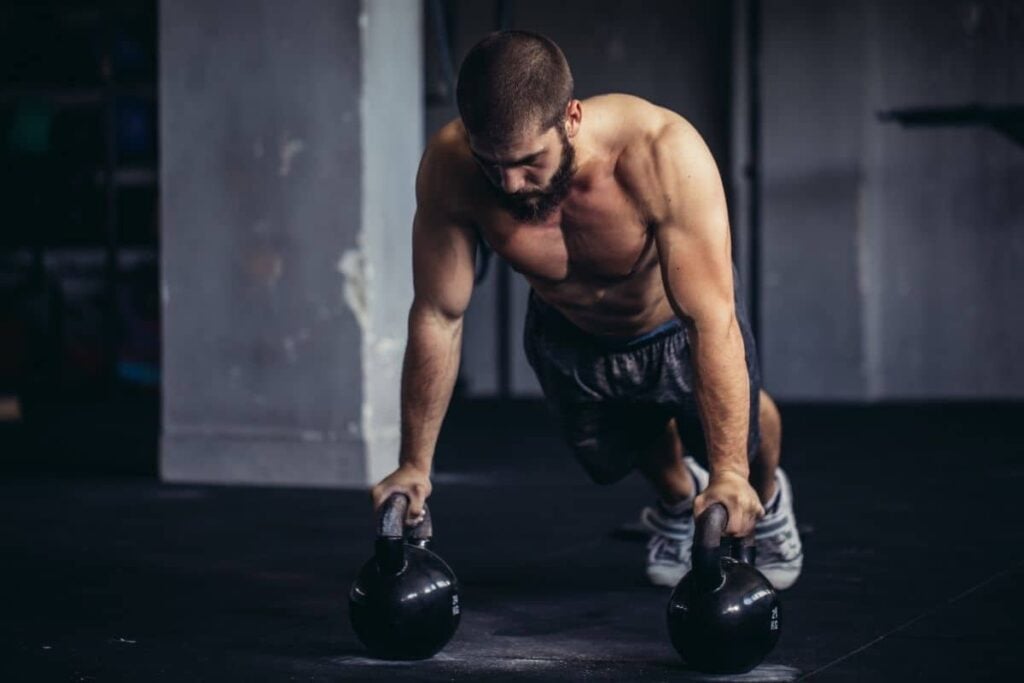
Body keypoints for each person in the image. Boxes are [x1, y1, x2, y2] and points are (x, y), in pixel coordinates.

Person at [371, 30, 802, 589]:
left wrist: (731, 474)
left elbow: (710, 319)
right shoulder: (451, 168)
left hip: (672, 323)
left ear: (570, 117)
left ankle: (768, 500)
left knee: (745, 434)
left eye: (529, 161)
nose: (510, 184)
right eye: (491, 164)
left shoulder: (660, 151)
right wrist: (413, 464)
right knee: (615, 455)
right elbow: (438, 315)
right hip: (569, 336)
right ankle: (677, 501)